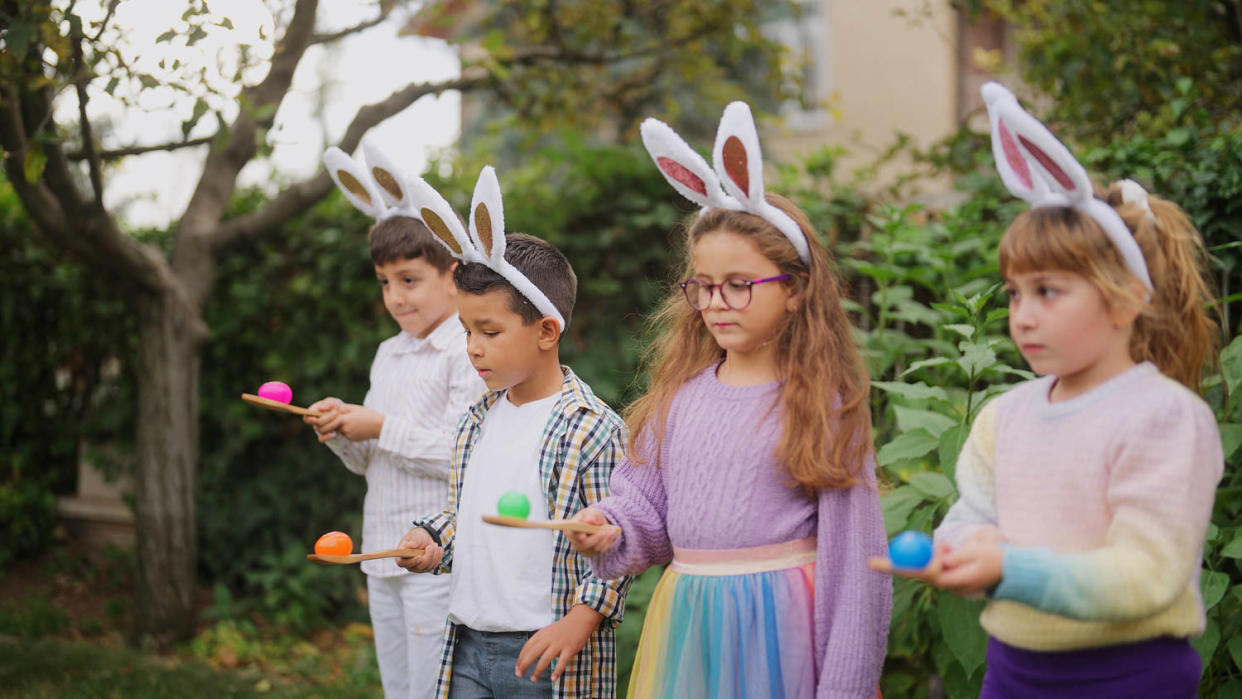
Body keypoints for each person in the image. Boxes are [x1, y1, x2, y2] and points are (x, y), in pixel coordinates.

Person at [897, 82, 1222, 697]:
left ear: (1127, 297)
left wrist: (1009, 567)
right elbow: (971, 515)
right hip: (1014, 671)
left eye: (1048, 291)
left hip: (1129, 676)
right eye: (1015, 292)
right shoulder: (1006, 416)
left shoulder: (1163, 417)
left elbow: (1147, 574)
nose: (1021, 314)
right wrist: (963, 551)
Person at [567, 102, 891, 698]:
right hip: (690, 628)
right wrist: (608, 529)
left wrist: (846, 686)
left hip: (782, 634)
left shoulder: (824, 402)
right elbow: (645, 512)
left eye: (739, 285)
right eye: (704, 286)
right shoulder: (678, 397)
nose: (716, 302)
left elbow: (856, 569)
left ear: (794, 290)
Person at [394, 166, 633, 699]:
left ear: (547, 330)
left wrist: (580, 621)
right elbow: (471, 518)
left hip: (548, 648)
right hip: (467, 642)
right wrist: (434, 540)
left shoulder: (591, 429)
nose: (472, 347)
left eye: (490, 331)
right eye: (466, 330)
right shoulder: (476, 420)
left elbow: (617, 546)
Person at [309, 145, 486, 699]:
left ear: (452, 275)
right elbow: (370, 461)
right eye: (385, 282)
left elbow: (466, 453)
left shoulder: (467, 349)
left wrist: (379, 425)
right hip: (380, 552)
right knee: (399, 690)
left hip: (435, 555)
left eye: (409, 280)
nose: (395, 297)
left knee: (433, 689)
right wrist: (341, 432)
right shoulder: (388, 353)